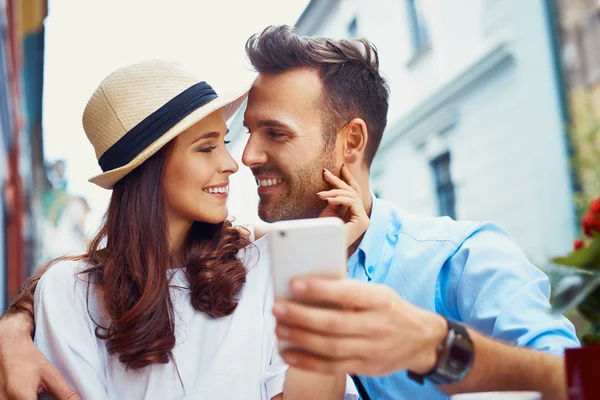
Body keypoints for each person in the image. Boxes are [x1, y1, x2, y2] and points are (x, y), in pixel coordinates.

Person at [0, 25, 580, 399]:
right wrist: (15, 321)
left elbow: (581, 380)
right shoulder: (267, 264)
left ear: (350, 143)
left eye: (273, 133)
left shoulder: (461, 258)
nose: (245, 157)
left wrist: (436, 346)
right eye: (240, 134)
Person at [1, 59, 364, 399]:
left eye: (223, 142)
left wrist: (321, 254)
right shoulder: (69, 290)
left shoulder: (268, 266)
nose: (230, 164)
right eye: (206, 148)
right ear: (150, 170)